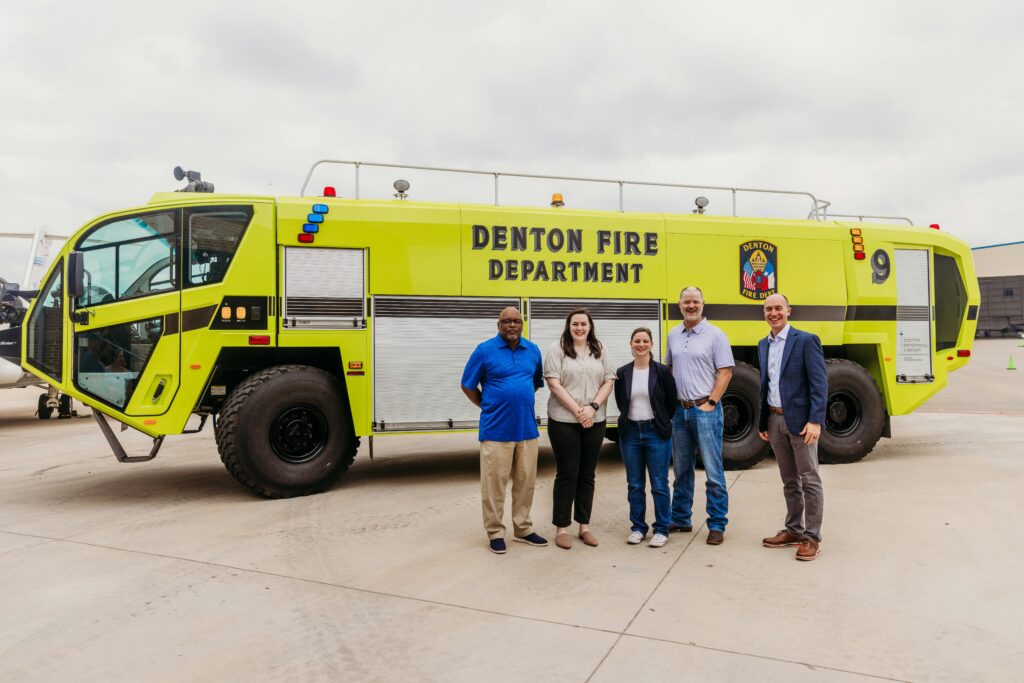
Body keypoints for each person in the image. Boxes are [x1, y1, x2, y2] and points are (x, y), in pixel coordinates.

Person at [462, 307, 548, 555]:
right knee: (494, 486)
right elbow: (467, 385)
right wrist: (487, 404)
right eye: (507, 321)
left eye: (516, 321)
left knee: (526, 483)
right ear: (498, 324)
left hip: (527, 429)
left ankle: (522, 529)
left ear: (522, 324)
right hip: (495, 430)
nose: (512, 325)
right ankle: (495, 532)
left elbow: (535, 382)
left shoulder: (532, 350)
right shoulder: (485, 350)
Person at [757, 293, 828, 561]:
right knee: (789, 479)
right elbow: (766, 384)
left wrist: (815, 420)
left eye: (778, 308)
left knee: (809, 478)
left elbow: (819, 384)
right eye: (768, 309)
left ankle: (812, 537)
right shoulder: (763, 344)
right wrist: (764, 421)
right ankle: (794, 529)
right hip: (774, 420)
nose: (773, 313)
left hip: (801, 422)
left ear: (789, 311)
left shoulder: (806, 341)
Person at [665, 286, 735, 545]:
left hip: (705, 410)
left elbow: (725, 371)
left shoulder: (715, 335)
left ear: (703, 304)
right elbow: (669, 368)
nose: (691, 305)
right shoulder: (673, 334)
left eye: (695, 301)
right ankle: (681, 517)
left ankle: (717, 523)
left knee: (713, 470)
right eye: (686, 302)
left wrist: (712, 402)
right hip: (679, 411)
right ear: (679, 304)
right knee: (682, 470)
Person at [544, 308, 616, 550]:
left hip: (594, 420)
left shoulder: (600, 349)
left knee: (588, 474)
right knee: (567, 473)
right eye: (575, 324)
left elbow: (609, 380)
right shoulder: (557, 349)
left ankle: (584, 526)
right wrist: (578, 410)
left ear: (590, 326)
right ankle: (561, 528)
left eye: (583, 324)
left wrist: (592, 408)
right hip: (564, 421)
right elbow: (554, 384)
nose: (579, 328)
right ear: (569, 325)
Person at [614, 327, 678, 547]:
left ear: (651, 344)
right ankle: (638, 528)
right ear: (631, 344)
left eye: (645, 341)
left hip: (656, 432)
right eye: (636, 341)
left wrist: (660, 421)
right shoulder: (622, 373)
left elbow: (671, 402)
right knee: (634, 484)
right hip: (630, 433)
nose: (640, 345)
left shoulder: (662, 372)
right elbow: (620, 400)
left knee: (659, 483)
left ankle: (661, 529)